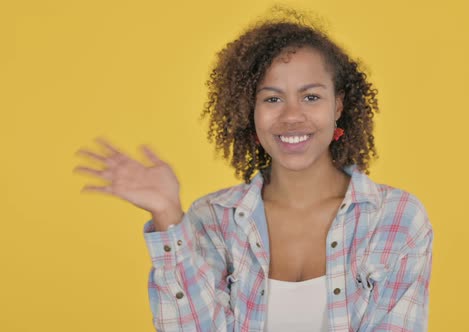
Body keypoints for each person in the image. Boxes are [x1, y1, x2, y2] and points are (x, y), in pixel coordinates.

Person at [74, 10, 433, 332]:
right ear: (251, 111)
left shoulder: (397, 218)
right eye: (272, 99)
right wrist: (167, 215)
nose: (292, 116)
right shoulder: (213, 219)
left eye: (311, 97)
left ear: (338, 105)